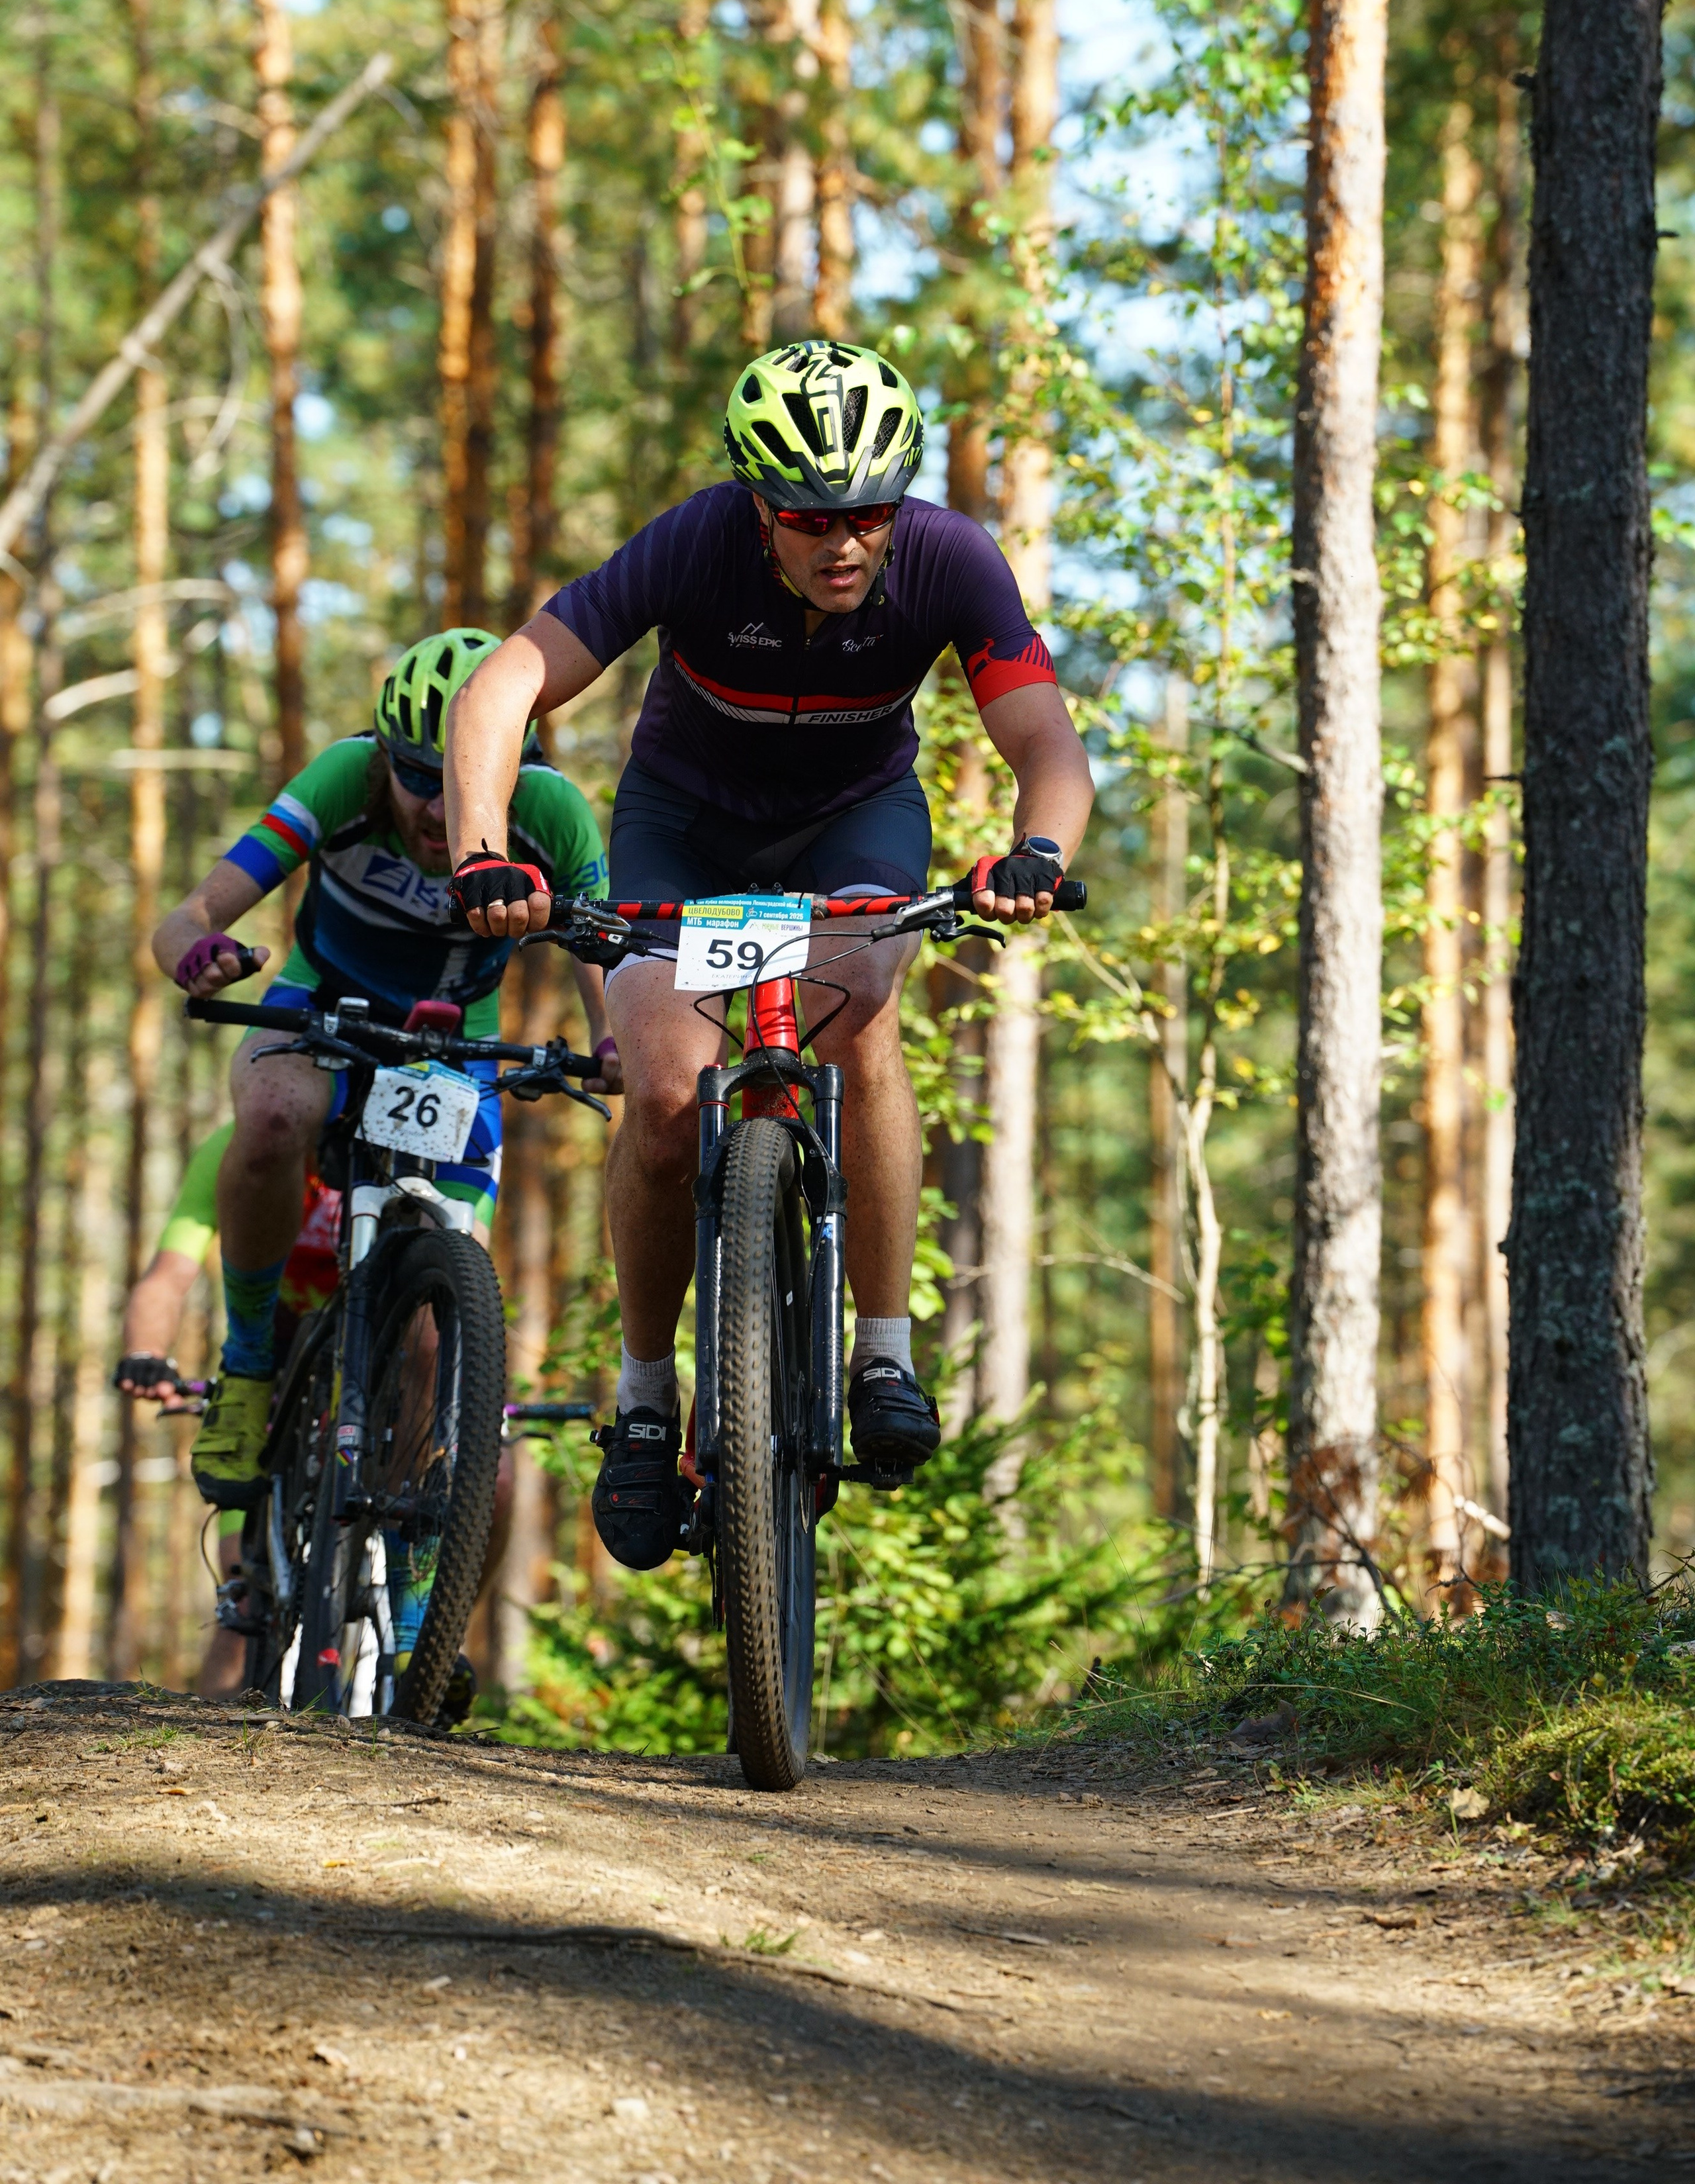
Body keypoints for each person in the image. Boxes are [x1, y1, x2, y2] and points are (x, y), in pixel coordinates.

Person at [443, 338, 1094, 1572]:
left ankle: (884, 1352)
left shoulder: (951, 558)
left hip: (857, 816)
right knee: (670, 1088)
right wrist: (484, 851)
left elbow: (1047, 748)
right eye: (808, 519)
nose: (844, 545)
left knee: (859, 1018)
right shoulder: (694, 545)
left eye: (868, 515)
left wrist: (1038, 850)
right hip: (682, 827)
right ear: (758, 505)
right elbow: (504, 683)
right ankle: (644, 1397)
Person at [150, 626, 619, 1513]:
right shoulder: (342, 778)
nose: (438, 811)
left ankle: (414, 1617)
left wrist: (613, 1039)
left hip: (451, 1046)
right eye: (416, 776)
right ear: (383, 758)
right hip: (319, 1009)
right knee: (270, 1119)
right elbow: (188, 915)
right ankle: (248, 1369)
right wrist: (199, 952)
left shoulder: (551, 811)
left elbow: (605, 952)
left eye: (461, 781)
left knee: (442, 1339)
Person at [115, 1121, 342, 1695]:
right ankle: (212, 1744)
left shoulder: (403, 1145)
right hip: (270, 1379)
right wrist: (146, 1353)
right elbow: (169, 1275)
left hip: (367, 1378)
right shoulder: (236, 1147)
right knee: (243, 1591)